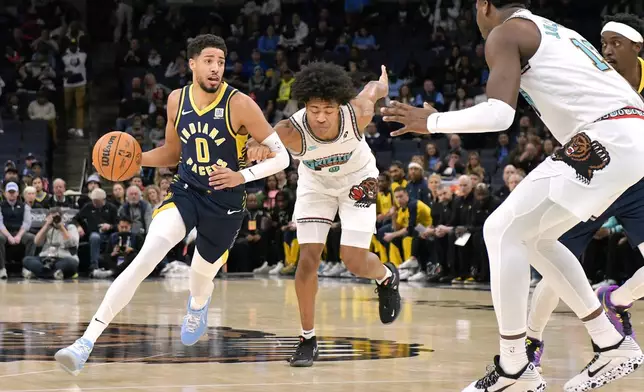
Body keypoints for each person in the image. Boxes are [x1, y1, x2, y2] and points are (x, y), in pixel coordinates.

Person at [380, 2, 644, 391]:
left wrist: (431, 121)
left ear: (483, 5)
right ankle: (610, 343)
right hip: (630, 137)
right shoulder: (555, 29)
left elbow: (499, 115)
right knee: (535, 239)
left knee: (500, 230)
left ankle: (514, 368)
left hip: (607, 137)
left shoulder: (506, 32)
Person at [54, 34, 290, 376]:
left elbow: (282, 156)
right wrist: (137, 159)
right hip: (186, 191)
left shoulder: (240, 104)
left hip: (224, 203)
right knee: (145, 258)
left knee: (200, 276)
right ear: (191, 63)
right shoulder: (176, 100)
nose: (215, 68)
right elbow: (173, 152)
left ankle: (197, 304)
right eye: (208, 60)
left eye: (221, 62)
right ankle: (84, 343)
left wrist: (243, 176)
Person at [239, 62, 400, 367]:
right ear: (305, 106)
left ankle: (387, 277)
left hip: (358, 179)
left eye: (328, 108)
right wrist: (256, 146)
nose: (321, 117)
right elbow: (261, 139)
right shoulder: (291, 130)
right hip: (316, 184)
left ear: (339, 104)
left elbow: (374, 90)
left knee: (353, 260)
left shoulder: (359, 113)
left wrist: (383, 83)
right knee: (307, 261)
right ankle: (307, 338)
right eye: (314, 109)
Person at [526, 13, 644, 373]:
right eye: (603, 43)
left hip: (637, 181)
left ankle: (615, 300)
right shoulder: (592, 75)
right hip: (593, 174)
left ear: (637, 48)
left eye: (615, 44)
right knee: (557, 266)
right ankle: (531, 341)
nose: (606, 50)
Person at [22, 207, 80, 280]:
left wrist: (62, 228)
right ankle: (55, 274)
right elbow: (37, 242)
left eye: (57, 217)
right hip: (46, 258)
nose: (54, 220)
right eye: (52, 218)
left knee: (72, 263)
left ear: (62, 218)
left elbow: (72, 244)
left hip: (63, 258)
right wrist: (46, 225)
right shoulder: (47, 228)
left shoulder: (70, 227)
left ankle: (40, 274)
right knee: (27, 260)